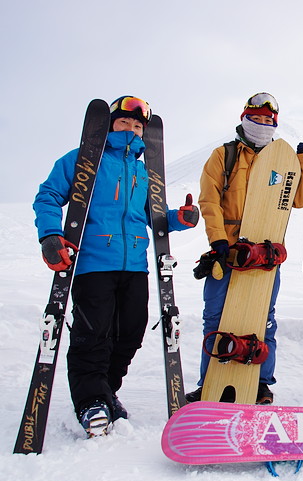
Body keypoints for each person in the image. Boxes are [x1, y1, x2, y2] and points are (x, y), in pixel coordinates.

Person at [33, 96, 199, 437]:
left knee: (131, 333)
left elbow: (153, 216)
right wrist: (50, 234)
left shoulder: (144, 170)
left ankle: (106, 390)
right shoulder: (83, 161)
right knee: (93, 335)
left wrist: (179, 219)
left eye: (138, 125)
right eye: (125, 122)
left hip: (135, 265)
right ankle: (91, 400)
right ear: (109, 124)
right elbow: (48, 195)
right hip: (93, 262)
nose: (133, 129)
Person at [186, 92, 303, 405]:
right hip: (227, 251)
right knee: (215, 318)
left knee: (263, 318)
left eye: (268, 120)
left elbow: (297, 200)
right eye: (256, 118)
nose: (261, 124)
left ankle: (259, 384)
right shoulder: (224, 155)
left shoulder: (281, 161)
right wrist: (217, 239)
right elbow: (209, 199)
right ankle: (210, 384)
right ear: (244, 119)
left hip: (263, 255)